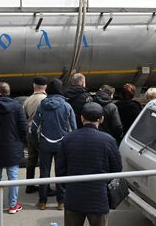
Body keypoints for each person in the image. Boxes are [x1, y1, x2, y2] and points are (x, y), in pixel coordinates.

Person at [56, 102, 122, 226]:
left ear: (81, 118)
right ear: (101, 119)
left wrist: (69, 185)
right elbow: (117, 169)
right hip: (98, 198)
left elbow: (60, 170)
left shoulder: (68, 139)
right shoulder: (108, 140)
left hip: (73, 196)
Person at [32, 78, 77, 211]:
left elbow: (34, 127)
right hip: (62, 144)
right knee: (61, 172)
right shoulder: (66, 106)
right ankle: (61, 202)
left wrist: (38, 143)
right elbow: (74, 128)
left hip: (45, 144)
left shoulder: (42, 105)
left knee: (44, 173)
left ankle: (42, 201)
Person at [0, 82, 27, 214]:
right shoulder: (17, 106)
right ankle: (12, 206)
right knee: (13, 177)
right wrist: (20, 141)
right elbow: (23, 126)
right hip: (13, 146)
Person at [22, 76, 47, 194]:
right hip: (42, 133)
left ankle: (29, 185)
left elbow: (24, 118)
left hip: (30, 133)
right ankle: (44, 187)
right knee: (44, 160)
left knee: (31, 160)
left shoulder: (27, 100)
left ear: (33, 86)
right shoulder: (46, 99)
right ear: (45, 87)